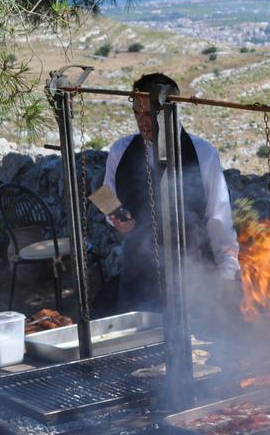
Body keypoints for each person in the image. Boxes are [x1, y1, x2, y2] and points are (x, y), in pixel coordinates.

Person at [103, 73, 241, 323]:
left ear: (170, 110)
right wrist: (116, 220)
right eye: (136, 113)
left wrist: (227, 272)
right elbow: (106, 196)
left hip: (193, 273)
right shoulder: (120, 151)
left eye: (148, 115)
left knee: (197, 349)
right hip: (138, 273)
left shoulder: (203, 153)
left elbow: (218, 218)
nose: (142, 122)